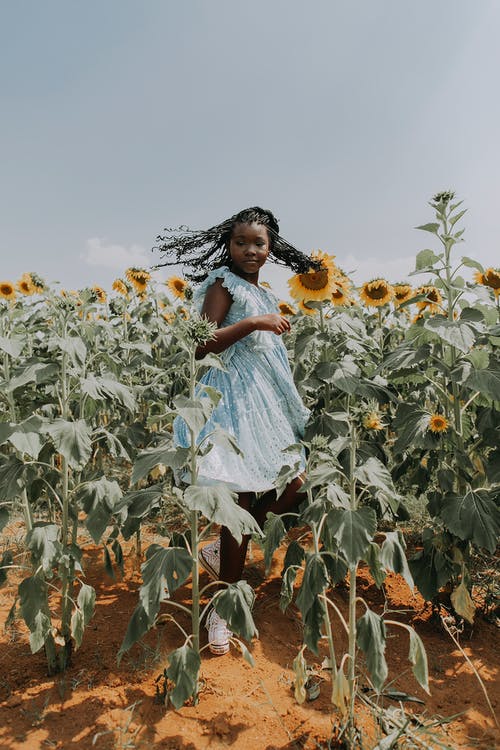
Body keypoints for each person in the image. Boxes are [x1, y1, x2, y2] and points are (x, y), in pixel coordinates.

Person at [158, 207, 316, 655]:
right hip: (229, 397)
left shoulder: (260, 290)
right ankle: (221, 607)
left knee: (296, 484)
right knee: (240, 497)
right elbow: (202, 341)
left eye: (258, 243)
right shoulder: (222, 283)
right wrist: (253, 324)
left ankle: (219, 553)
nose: (250, 250)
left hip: (265, 402)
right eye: (241, 242)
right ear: (229, 246)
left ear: (271, 249)